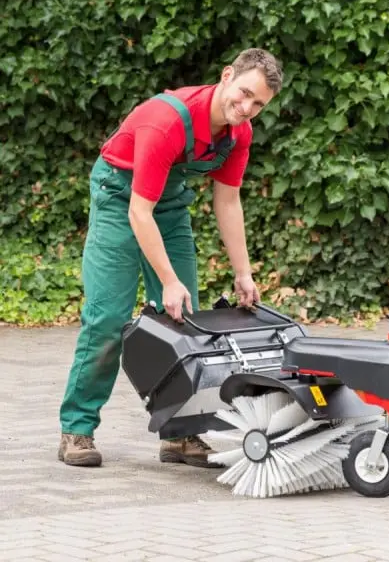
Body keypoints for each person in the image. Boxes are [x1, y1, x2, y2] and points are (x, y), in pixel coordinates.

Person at [58, 47, 283, 468]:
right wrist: (168, 279)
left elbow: (228, 201)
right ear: (227, 75)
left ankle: (180, 435)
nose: (247, 108)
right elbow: (138, 212)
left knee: (183, 322)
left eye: (259, 104)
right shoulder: (167, 121)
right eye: (245, 93)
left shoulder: (238, 134)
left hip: (169, 205)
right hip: (119, 197)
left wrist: (243, 273)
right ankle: (77, 428)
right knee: (107, 319)